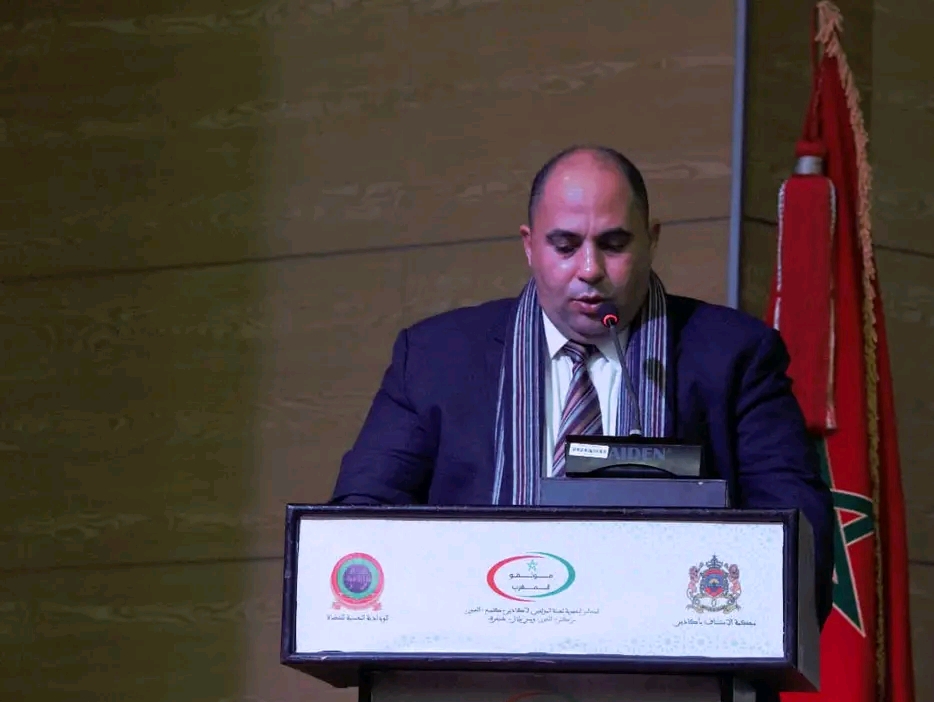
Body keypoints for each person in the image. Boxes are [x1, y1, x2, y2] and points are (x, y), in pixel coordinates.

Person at [331, 144, 834, 631]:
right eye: (565, 246)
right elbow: (358, 525)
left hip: (670, 668)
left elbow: (800, 538)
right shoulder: (435, 358)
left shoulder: (735, 356)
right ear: (529, 245)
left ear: (651, 240)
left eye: (614, 244)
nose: (590, 270)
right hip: (473, 664)